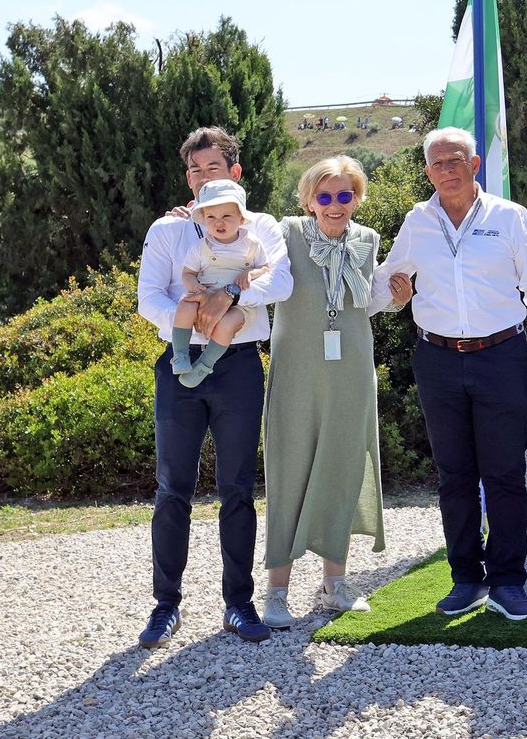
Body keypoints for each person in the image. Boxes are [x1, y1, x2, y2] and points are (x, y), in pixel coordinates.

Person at [370, 127, 527, 621]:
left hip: (502, 356)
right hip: (437, 359)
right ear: (427, 171)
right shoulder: (417, 220)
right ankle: (466, 580)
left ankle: (508, 583)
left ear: (475, 165)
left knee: (504, 474)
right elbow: (388, 280)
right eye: (437, 163)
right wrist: (390, 296)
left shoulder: (510, 218)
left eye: (456, 160)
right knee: (454, 476)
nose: (446, 170)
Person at [135, 126, 293, 648]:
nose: (205, 177)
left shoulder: (261, 226)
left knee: (238, 490)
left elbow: (281, 282)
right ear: (188, 178)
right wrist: (201, 321)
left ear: (235, 173)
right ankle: (165, 606)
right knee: (171, 489)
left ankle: (239, 604)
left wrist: (230, 297)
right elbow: (149, 299)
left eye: (214, 168)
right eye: (196, 170)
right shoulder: (167, 231)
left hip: (239, 365)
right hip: (179, 367)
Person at [258, 156, 388, 629]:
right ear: (309, 199)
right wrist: (192, 215)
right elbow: (232, 236)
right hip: (296, 373)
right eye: (326, 196)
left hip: (352, 370)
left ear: (357, 198)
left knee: (343, 466)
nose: (336, 205)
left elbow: (366, 300)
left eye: (345, 195)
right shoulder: (287, 233)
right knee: (288, 470)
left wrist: (397, 296)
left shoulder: (368, 241)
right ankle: (277, 591)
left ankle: (335, 584)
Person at [168, 179, 271, 387]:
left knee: (227, 323)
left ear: (241, 218)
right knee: (185, 304)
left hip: (238, 304)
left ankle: (204, 365)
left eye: (226, 216)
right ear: (204, 219)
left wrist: (250, 272)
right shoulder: (200, 247)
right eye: (211, 217)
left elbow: (266, 268)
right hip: (204, 295)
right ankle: (180, 354)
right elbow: (187, 274)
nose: (219, 222)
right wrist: (194, 287)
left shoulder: (251, 244)